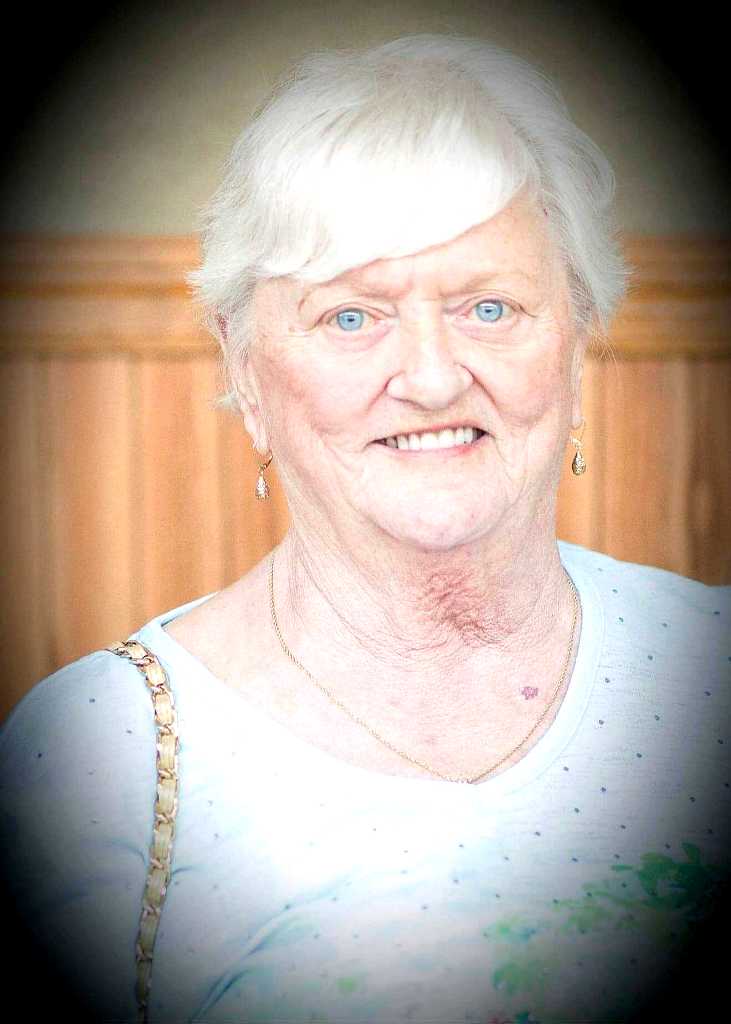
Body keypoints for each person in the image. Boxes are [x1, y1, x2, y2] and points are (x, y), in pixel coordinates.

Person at [1, 34, 729, 1024]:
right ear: (245, 368)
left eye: (488, 306)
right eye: (351, 317)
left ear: (574, 344)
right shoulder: (99, 752)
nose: (429, 377)